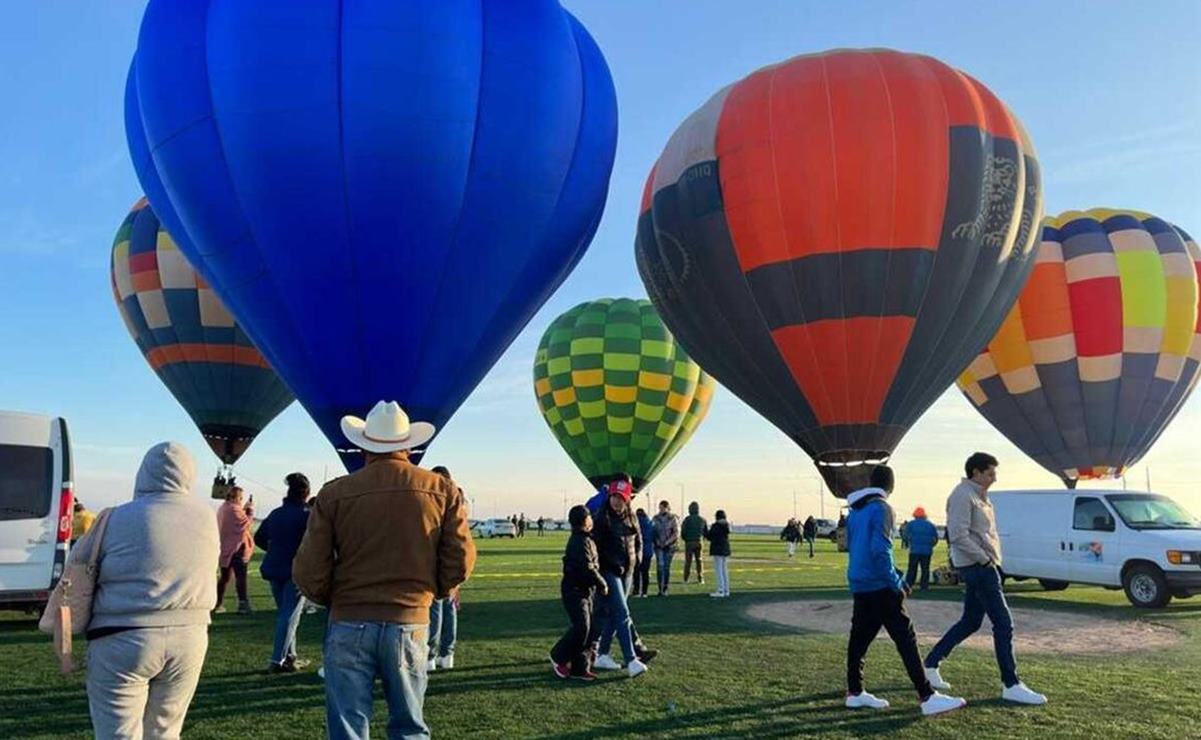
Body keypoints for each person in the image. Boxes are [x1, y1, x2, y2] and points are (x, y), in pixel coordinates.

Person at [293, 401, 476, 739]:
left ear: (364, 445)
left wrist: (330, 598)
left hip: (348, 619)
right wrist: (434, 591)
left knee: (347, 727)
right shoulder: (442, 490)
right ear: (408, 444)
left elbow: (309, 567)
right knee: (409, 726)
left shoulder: (334, 493)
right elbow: (461, 558)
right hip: (409, 620)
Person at [80, 442, 219, 738]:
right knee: (165, 730)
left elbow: (78, 564)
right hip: (190, 636)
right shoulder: (206, 517)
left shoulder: (115, 517)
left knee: (117, 732)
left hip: (121, 633)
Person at [924, 453, 1047, 706]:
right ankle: (1011, 684)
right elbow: (957, 535)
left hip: (985, 566)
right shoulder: (962, 495)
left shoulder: (979, 496)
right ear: (976, 472)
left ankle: (931, 664)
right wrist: (984, 559)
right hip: (978, 567)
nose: (994, 478)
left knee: (970, 622)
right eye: (990, 473)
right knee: (1003, 624)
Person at [843, 464, 966, 716]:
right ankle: (926, 695)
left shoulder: (856, 510)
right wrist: (895, 582)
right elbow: (880, 550)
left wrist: (898, 575)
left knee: (860, 638)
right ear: (891, 486)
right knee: (905, 637)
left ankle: (855, 691)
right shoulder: (882, 508)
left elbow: (861, 548)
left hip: (859, 581)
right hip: (879, 584)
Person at [590, 479, 650, 678]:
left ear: (627, 499)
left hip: (628, 571)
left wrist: (638, 558)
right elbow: (594, 547)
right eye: (614, 496)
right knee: (622, 612)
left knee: (613, 615)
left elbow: (638, 539)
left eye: (621, 498)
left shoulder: (631, 517)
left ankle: (602, 654)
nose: (616, 501)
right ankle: (632, 660)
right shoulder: (602, 518)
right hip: (610, 571)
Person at [254, 472, 312, 673]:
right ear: (306, 493)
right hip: (296, 570)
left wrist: (275, 550)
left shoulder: (276, 514)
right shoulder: (307, 516)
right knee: (289, 616)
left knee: (286, 615)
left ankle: (289, 657)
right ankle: (277, 659)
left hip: (274, 567)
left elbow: (259, 537)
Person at [550, 505, 608, 680]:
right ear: (584, 520)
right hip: (574, 590)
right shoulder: (579, 541)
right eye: (589, 516)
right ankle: (558, 656)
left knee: (587, 629)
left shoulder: (586, 539)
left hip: (584, 590)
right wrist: (602, 583)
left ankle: (579, 667)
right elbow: (587, 568)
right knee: (582, 627)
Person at [427, 465, 461, 672]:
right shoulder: (457, 501)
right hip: (453, 562)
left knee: (436, 609)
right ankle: (447, 653)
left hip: (437, 562)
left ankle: (431, 654)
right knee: (449, 608)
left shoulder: (436, 503)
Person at [215, 485, 255, 614]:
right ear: (235, 497)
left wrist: (244, 509)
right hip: (236, 548)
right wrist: (249, 511)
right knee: (240, 577)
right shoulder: (233, 509)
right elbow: (246, 524)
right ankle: (243, 605)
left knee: (225, 578)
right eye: (240, 498)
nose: (241, 500)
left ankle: (217, 603)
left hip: (225, 548)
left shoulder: (224, 508)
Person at [905, 508, 939, 591]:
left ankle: (909, 585)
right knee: (925, 569)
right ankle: (924, 586)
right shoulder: (931, 525)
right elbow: (935, 538)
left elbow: (906, 536)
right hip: (927, 551)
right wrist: (930, 545)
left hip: (914, 550)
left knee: (912, 569)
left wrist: (910, 543)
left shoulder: (911, 524)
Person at [651, 500, 680, 596]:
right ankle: (660, 589)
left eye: (662, 508)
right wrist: (657, 542)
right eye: (660, 508)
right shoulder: (655, 518)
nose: (661, 510)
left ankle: (665, 588)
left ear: (667, 508)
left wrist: (667, 542)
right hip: (658, 546)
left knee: (666, 567)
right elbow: (653, 531)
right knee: (660, 567)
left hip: (669, 547)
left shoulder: (672, 518)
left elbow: (676, 533)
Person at [705, 509, 731, 597]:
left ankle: (720, 590)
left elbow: (709, 536)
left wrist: (704, 529)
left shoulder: (716, 526)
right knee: (724, 570)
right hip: (725, 549)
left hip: (717, 549)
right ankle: (726, 590)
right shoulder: (726, 525)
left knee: (719, 570)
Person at [680, 501, 708, 584]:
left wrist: (685, 539)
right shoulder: (702, 520)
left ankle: (686, 578)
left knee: (688, 561)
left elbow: (683, 532)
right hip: (699, 542)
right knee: (699, 561)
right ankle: (700, 578)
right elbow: (705, 532)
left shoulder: (687, 519)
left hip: (689, 542)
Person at [633, 508, 654, 598]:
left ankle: (636, 591)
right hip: (648, 550)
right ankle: (645, 592)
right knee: (645, 572)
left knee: (636, 572)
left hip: (637, 550)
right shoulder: (650, 523)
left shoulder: (635, 523)